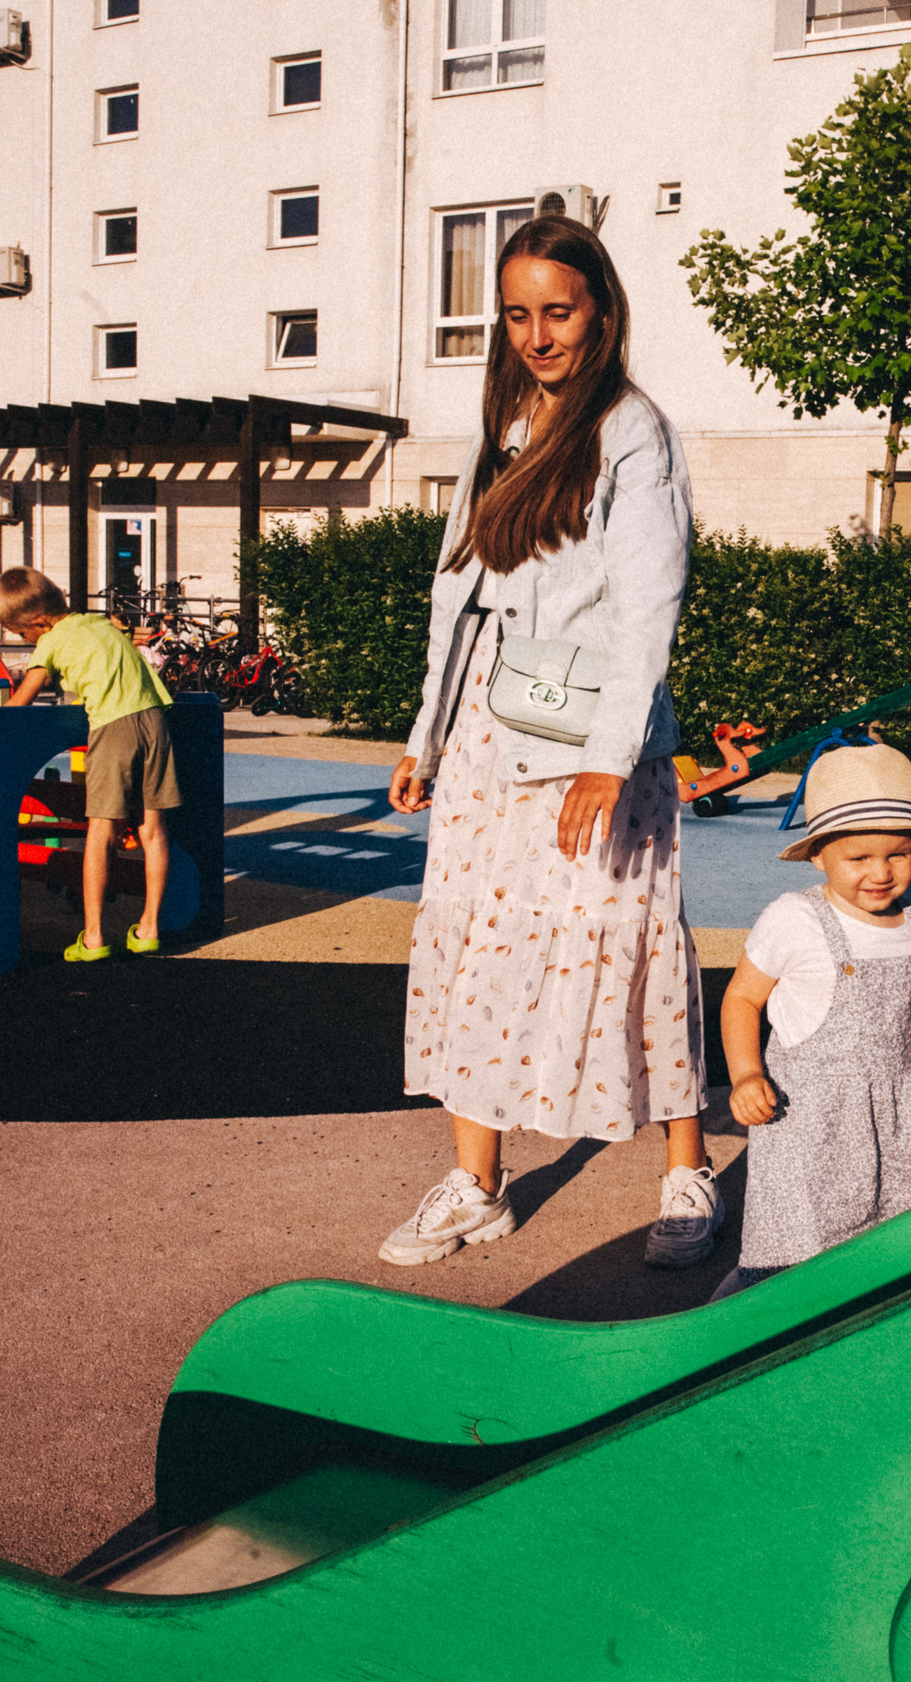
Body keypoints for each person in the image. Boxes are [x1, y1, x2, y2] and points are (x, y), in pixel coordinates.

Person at [382, 215, 719, 1269]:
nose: (537, 334)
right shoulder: (505, 428)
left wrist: (610, 757)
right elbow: (458, 599)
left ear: (602, 314)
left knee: (630, 948)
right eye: (519, 314)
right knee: (477, 947)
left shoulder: (630, 429)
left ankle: (686, 1167)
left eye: (558, 312)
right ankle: (476, 1184)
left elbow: (647, 602)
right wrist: (425, 736)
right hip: (492, 744)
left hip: (587, 746)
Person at [718, 743, 911, 1296]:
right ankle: (732, 1326)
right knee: (794, 1254)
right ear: (819, 855)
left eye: (899, 855)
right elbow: (742, 999)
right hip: (810, 1120)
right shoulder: (794, 918)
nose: (881, 873)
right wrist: (745, 1074)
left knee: (904, 1241)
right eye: (859, 858)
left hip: (900, 1114)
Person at [0, 566, 179, 961]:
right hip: (156, 720)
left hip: (113, 727)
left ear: (38, 623)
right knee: (152, 829)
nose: (26, 641)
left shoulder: (50, 643)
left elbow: (22, 700)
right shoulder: (101, 625)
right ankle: (149, 928)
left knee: (100, 829)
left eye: (22, 634)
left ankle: (93, 937)